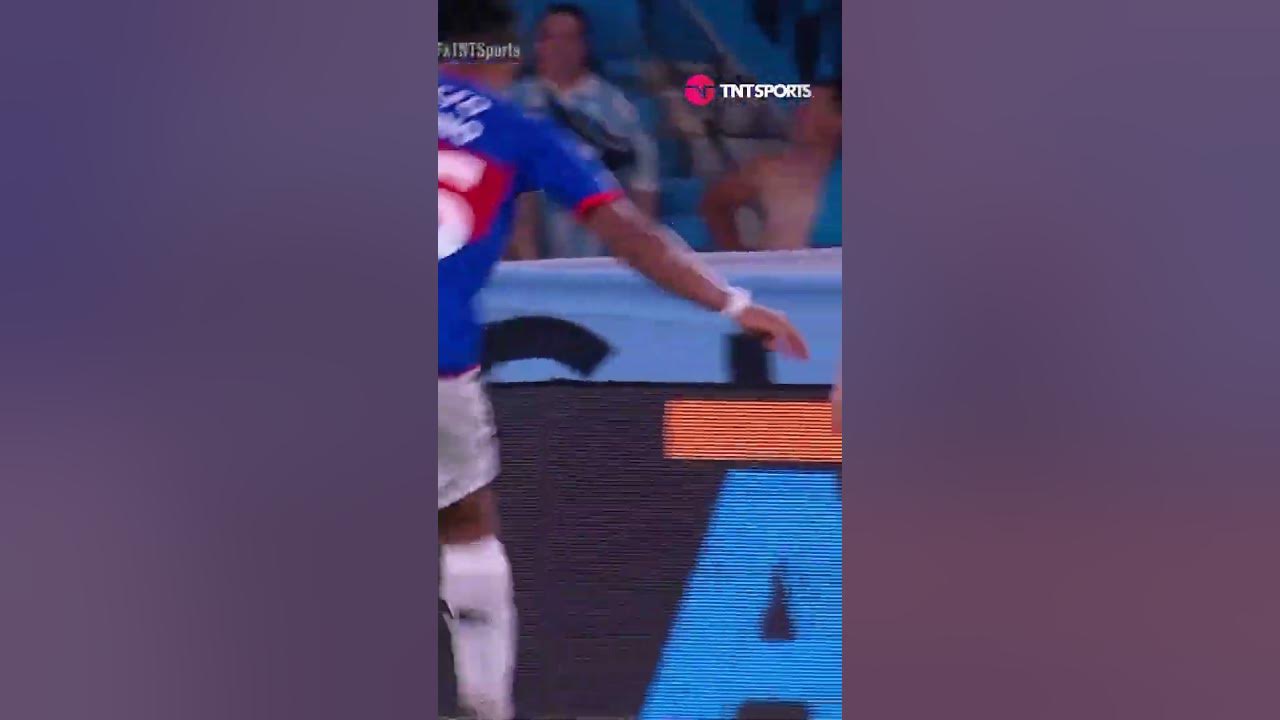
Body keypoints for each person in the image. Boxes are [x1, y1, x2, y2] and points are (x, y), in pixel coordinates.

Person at [437, 2, 809, 718]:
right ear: (506, 56)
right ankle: (486, 703)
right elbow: (630, 235)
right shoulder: (517, 129)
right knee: (464, 522)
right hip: (437, 362)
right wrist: (733, 304)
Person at [505, 3, 660, 259]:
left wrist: (640, 249)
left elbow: (644, 179)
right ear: (538, 45)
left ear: (584, 46)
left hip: (598, 230)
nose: (560, 47)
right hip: (528, 225)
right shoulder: (513, 100)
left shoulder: (615, 106)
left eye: (569, 38)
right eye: (551, 38)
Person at [700, 77, 843, 251]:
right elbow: (715, 204)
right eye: (803, 107)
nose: (800, 115)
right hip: (779, 266)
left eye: (813, 109)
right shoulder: (767, 170)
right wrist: (737, 253)